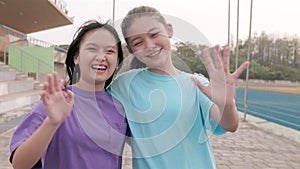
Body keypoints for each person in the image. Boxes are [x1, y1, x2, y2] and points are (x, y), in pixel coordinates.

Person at [108, 6, 249, 169]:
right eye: (138, 42)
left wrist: (227, 103)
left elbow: (230, 125)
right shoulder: (124, 85)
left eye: (154, 35)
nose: (149, 45)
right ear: (130, 49)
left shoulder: (197, 84)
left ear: (169, 30)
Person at [9, 20, 128, 169]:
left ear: (117, 61)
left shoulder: (121, 107)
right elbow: (20, 164)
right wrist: (52, 122)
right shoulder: (56, 100)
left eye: (109, 51)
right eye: (92, 48)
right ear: (76, 57)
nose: (101, 56)